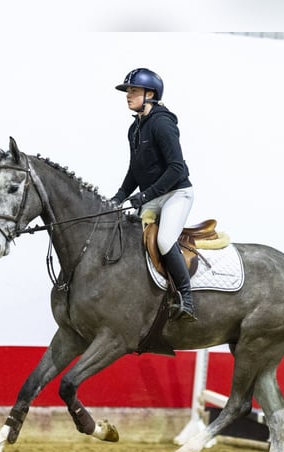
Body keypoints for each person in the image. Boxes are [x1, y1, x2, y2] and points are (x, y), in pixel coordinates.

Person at [111, 68, 196, 322]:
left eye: (133, 91)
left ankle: (187, 299)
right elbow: (134, 170)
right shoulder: (134, 129)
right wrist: (118, 197)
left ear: (150, 94)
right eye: (128, 91)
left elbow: (176, 168)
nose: (128, 96)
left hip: (176, 194)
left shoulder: (162, 123)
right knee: (127, 235)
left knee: (164, 240)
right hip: (154, 196)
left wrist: (146, 194)